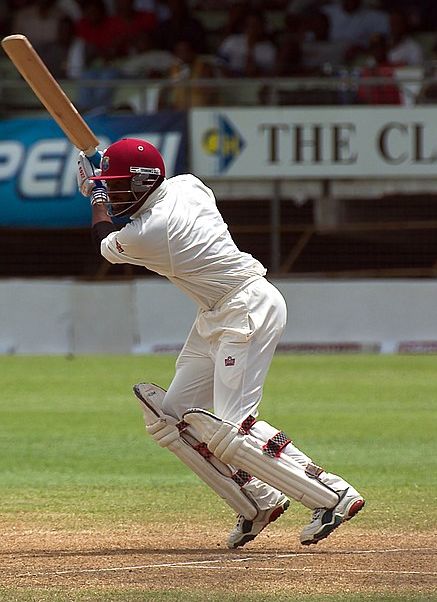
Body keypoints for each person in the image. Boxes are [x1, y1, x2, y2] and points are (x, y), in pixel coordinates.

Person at [76, 139, 365, 549]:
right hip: (216, 313)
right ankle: (257, 503)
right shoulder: (187, 184)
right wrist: (106, 170)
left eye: (121, 186)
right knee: (169, 418)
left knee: (234, 427)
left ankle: (332, 494)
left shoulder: (151, 233)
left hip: (245, 307)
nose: (116, 194)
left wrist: (96, 195)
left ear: (143, 185)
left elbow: (103, 241)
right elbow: (138, 189)